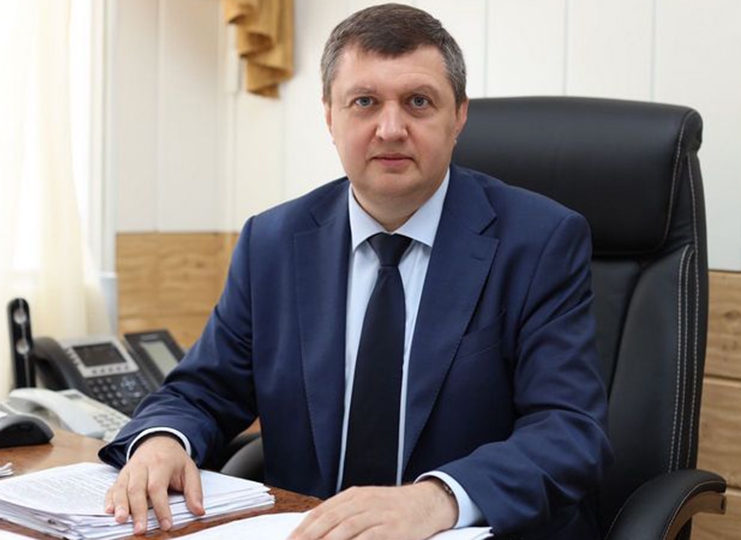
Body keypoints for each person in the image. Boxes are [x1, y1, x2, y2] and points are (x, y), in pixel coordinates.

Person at [99, 4, 612, 539]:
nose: (391, 129)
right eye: (364, 102)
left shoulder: (540, 241)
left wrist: (438, 499)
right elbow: (201, 390)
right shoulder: (271, 243)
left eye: (418, 102)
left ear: (459, 116)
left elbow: (569, 429)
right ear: (330, 116)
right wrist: (162, 441)